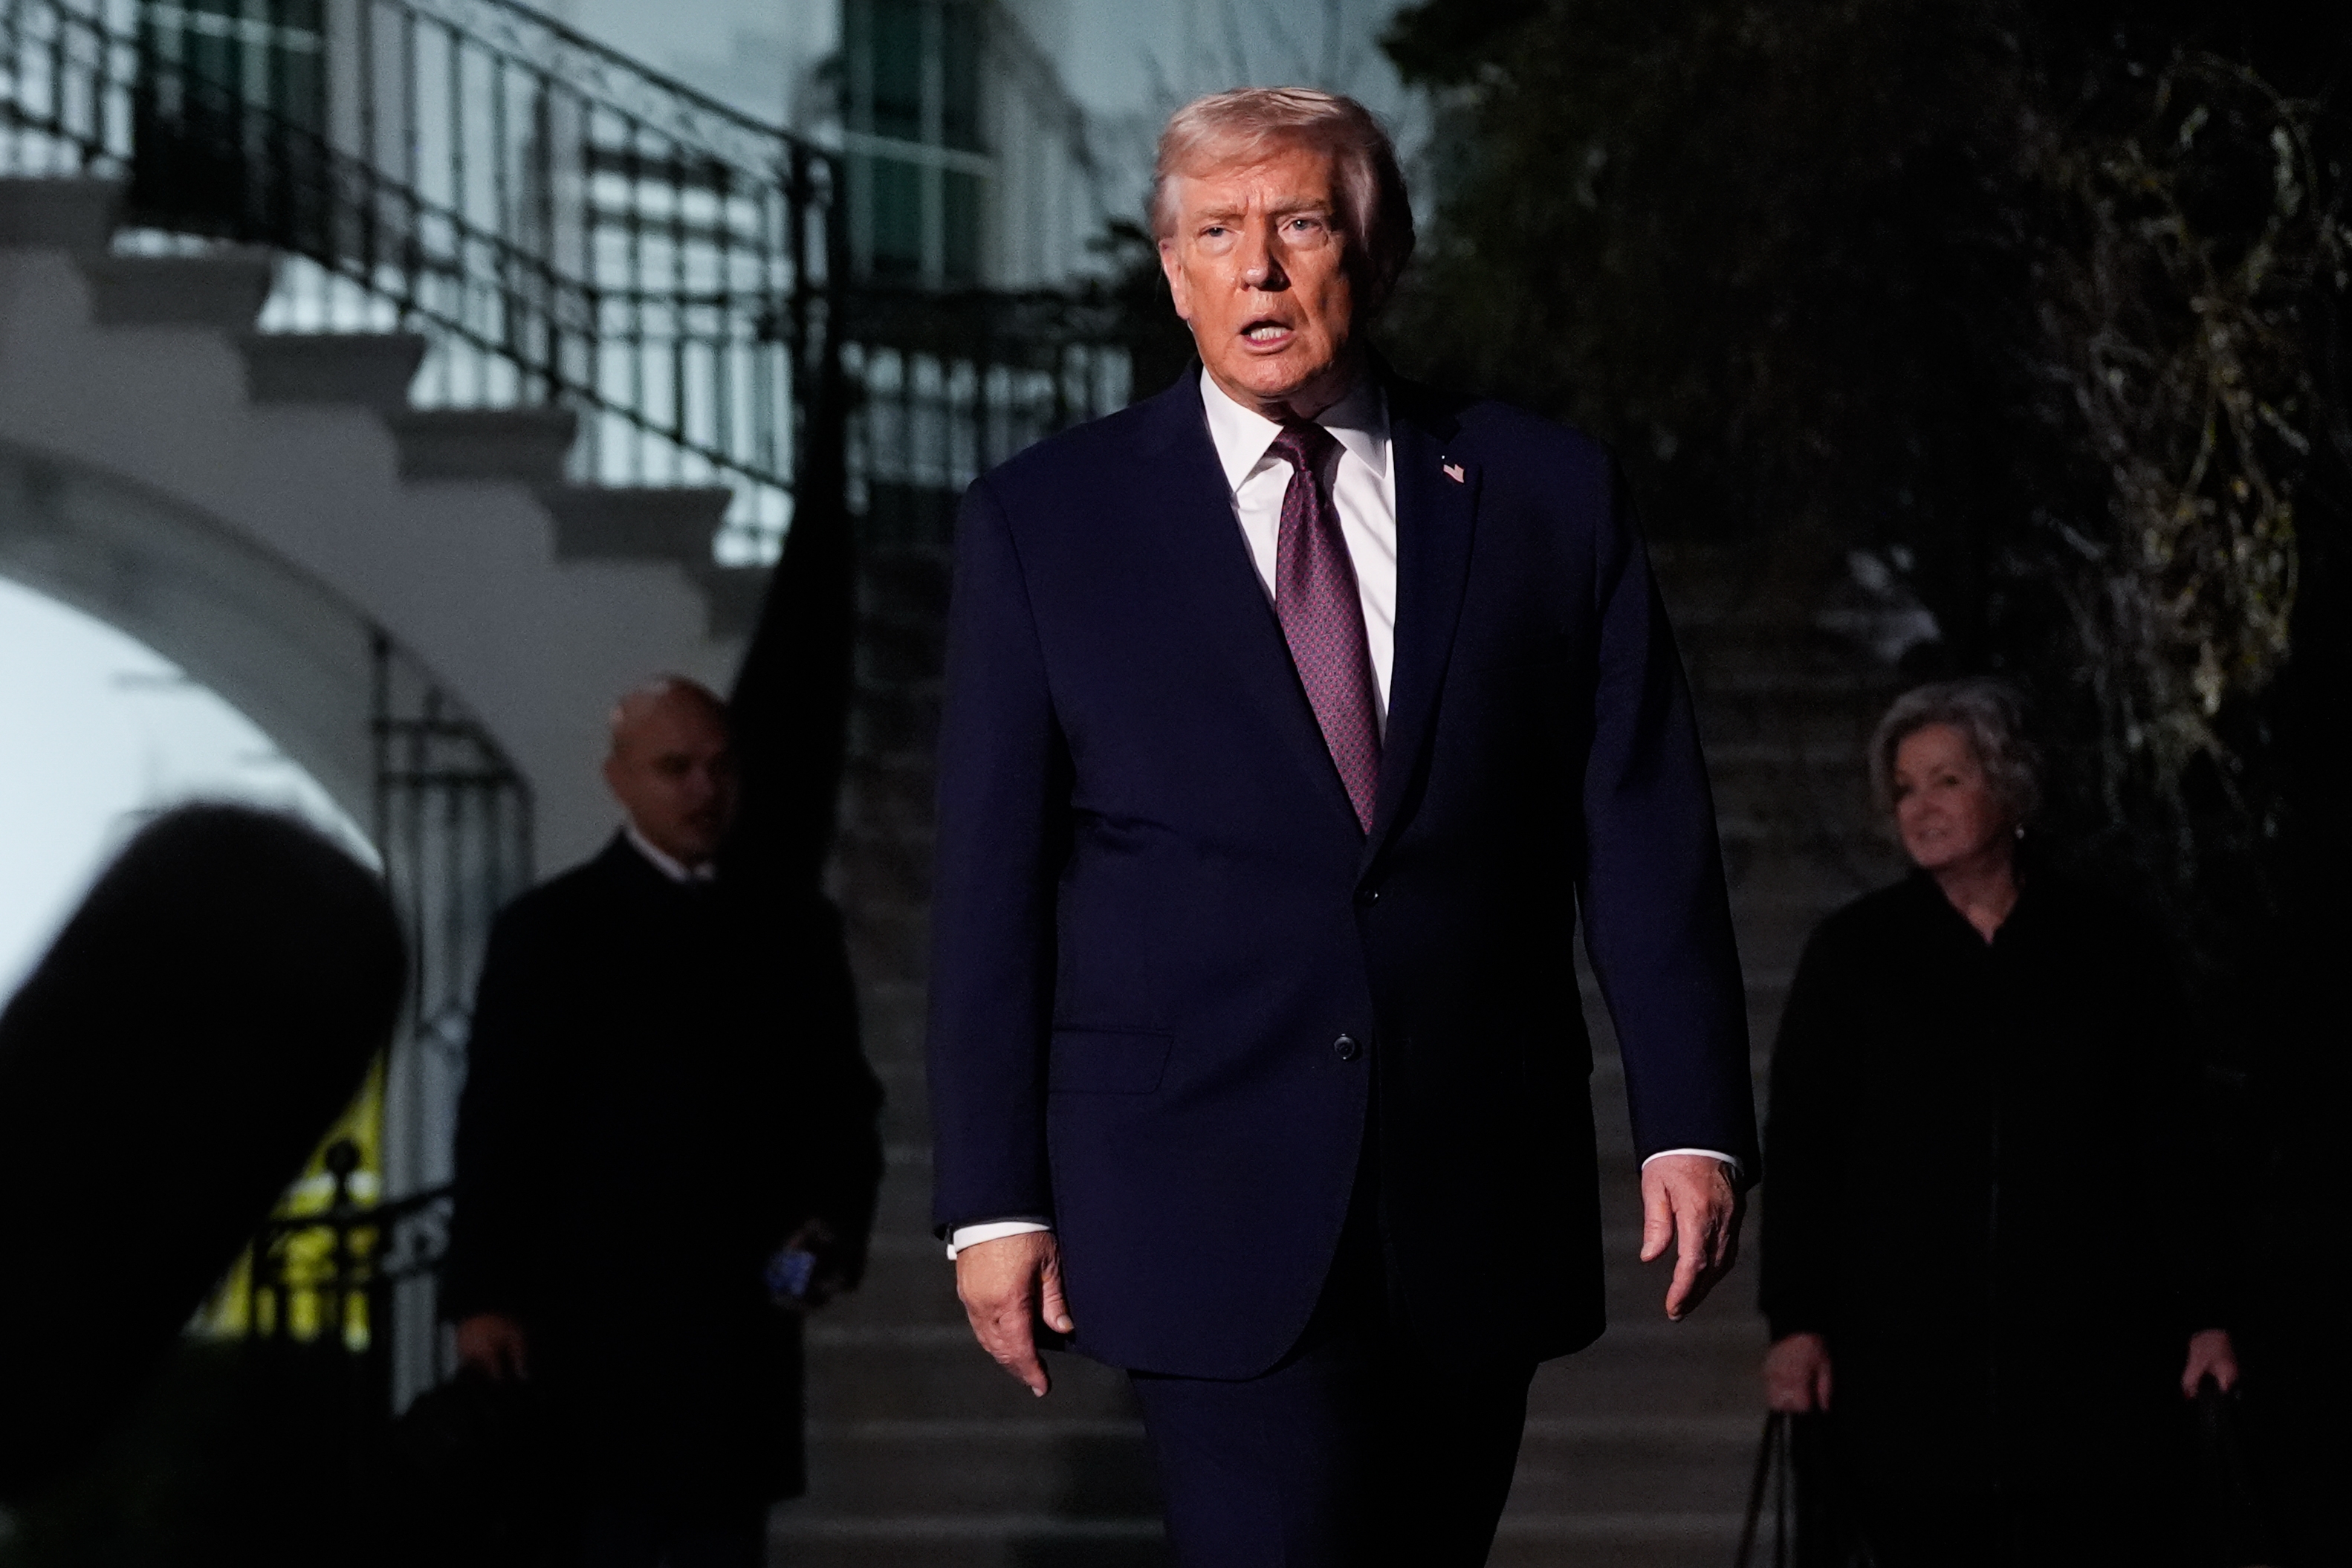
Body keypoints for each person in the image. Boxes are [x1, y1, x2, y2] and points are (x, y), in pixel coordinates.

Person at [927, 88, 1757, 1565]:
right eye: (1215, 233)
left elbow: (1638, 821)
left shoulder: (1543, 494)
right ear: (1170, 271)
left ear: (1368, 253)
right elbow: (990, 889)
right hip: (1198, 1184)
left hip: (1472, 1175)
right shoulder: (1043, 525)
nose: (1256, 268)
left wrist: (1688, 1115)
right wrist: (988, 1197)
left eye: (1297, 225)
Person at [1758, 678, 2240, 1567]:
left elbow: (2171, 1136)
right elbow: (1804, 1150)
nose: (1922, 807)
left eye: (1946, 779)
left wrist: (2207, 1309)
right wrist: (1795, 1320)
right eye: (1905, 788)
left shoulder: (2109, 946)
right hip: (1905, 1375)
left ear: (2009, 786)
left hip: (2092, 1373)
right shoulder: (1856, 957)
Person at [442, 677, 883, 1567]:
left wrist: (819, 1242)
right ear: (620, 780)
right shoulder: (550, 932)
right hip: (589, 1334)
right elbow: (500, 1118)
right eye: (675, 768)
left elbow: (841, 1106)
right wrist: (484, 1292)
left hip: (733, 1330)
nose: (702, 790)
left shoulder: (793, 926)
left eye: (718, 767)